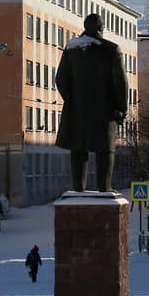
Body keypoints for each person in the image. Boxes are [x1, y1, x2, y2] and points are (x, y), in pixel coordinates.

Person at [56, 13, 127, 193]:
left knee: (78, 149)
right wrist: (120, 108)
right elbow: (120, 82)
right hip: (105, 110)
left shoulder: (71, 50)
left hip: (77, 110)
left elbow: (61, 79)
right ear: (101, 28)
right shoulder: (111, 50)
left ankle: (78, 188)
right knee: (105, 150)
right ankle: (105, 187)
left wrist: (72, 99)